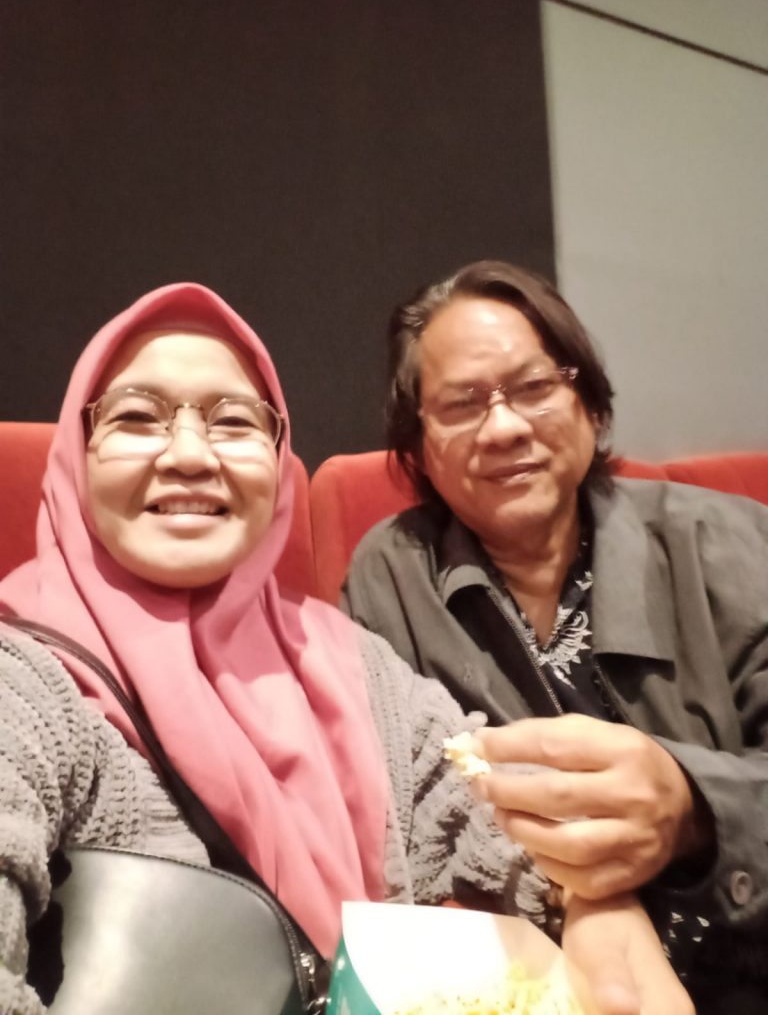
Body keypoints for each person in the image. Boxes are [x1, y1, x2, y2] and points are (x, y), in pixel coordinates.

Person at [0, 282, 690, 1015]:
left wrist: (592, 900)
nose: (192, 455)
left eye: (234, 421)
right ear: (77, 455)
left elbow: (487, 809)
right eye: (138, 417)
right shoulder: (27, 681)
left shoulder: (349, 662)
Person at [340, 260, 768, 1012]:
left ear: (589, 404)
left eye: (533, 387)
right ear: (421, 445)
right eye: (461, 404)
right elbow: (394, 802)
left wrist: (695, 810)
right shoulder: (392, 574)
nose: (504, 427)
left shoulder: (728, 543)